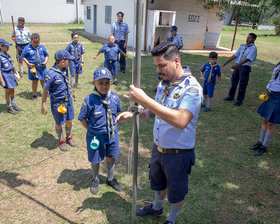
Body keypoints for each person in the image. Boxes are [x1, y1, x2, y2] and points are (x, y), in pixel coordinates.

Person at [116, 42, 202, 224]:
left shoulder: (192, 88)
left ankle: (171, 219)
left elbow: (180, 120)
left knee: (176, 191)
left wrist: (145, 100)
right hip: (159, 149)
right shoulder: (164, 83)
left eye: (162, 65)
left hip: (178, 154)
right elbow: (157, 112)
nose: (158, 70)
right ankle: (157, 208)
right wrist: (135, 113)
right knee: (158, 183)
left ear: (176, 61)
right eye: (156, 66)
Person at [78, 67, 122, 195]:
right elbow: (82, 119)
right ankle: (95, 179)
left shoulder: (114, 97)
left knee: (111, 157)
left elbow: (115, 114)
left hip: (112, 135)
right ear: (94, 83)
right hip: (96, 136)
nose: (104, 86)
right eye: (100, 83)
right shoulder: (89, 100)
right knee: (95, 158)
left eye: (107, 83)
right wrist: (91, 131)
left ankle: (110, 178)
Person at [41, 50, 76, 151]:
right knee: (59, 123)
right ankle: (61, 140)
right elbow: (45, 90)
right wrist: (43, 104)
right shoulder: (51, 74)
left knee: (69, 120)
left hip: (68, 100)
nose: (70, 62)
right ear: (62, 61)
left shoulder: (64, 69)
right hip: (58, 103)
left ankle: (68, 137)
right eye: (68, 60)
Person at [249, 61, 280, 156]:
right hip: (270, 93)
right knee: (264, 120)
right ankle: (260, 142)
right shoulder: (278, 64)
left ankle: (264, 147)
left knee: (271, 123)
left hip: (278, 96)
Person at [223, 33, 257, 106]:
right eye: (247, 37)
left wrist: (237, 65)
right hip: (238, 67)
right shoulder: (242, 46)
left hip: (245, 68)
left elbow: (248, 59)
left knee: (242, 84)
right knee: (234, 82)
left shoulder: (253, 48)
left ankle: (239, 100)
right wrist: (226, 62)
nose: (247, 39)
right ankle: (231, 96)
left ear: (254, 40)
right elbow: (235, 55)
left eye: (250, 38)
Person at [21, 33, 49, 100]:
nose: (36, 43)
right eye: (34, 42)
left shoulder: (42, 47)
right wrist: (28, 63)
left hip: (42, 67)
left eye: (37, 42)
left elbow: (46, 55)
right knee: (35, 81)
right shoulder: (28, 48)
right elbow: (23, 56)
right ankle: (34, 94)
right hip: (33, 68)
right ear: (31, 41)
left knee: (43, 80)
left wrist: (45, 61)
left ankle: (45, 92)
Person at [0, 39, 23, 114]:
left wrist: (16, 73)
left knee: (12, 89)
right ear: (1, 46)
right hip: (5, 75)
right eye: (6, 46)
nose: (8, 48)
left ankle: (13, 104)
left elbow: (11, 64)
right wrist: (2, 81)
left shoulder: (7, 54)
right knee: (7, 92)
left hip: (11, 74)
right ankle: (9, 107)